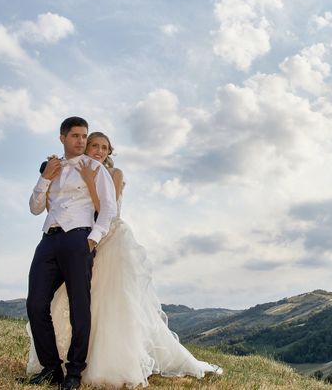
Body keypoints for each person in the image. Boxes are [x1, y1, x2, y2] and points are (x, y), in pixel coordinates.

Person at [27, 131, 222, 386]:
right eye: (93, 145)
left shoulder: (113, 174)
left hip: (108, 240)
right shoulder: (76, 170)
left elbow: (107, 211)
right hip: (78, 239)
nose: (97, 150)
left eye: (103, 147)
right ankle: (58, 363)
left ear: (109, 151)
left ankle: (105, 362)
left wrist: (88, 182)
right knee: (71, 302)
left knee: (107, 305)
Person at [27, 117, 119, 390]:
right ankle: (51, 368)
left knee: (80, 307)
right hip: (49, 239)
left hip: (79, 238)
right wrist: (45, 178)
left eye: (84, 136)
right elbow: (34, 207)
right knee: (35, 303)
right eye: (76, 136)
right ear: (62, 138)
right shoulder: (51, 169)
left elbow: (109, 209)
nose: (81, 141)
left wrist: (92, 240)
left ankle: (75, 372)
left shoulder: (95, 169)